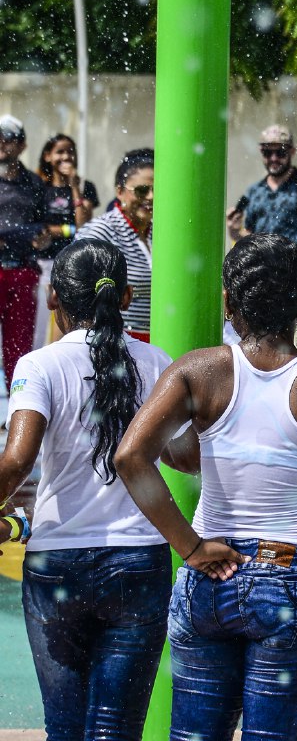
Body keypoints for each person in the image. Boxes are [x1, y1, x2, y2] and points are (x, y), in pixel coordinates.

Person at [115, 233, 297, 741]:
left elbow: (131, 457)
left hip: (209, 577)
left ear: (229, 302)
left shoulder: (197, 371)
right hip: (294, 579)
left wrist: (188, 547)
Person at [0, 238, 196, 741]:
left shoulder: (39, 366)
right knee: (116, 730)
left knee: (64, 727)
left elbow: (17, 461)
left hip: (57, 563)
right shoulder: (156, 363)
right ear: (127, 297)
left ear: (53, 299)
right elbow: (186, 457)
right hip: (137, 562)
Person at [227, 124, 297, 306]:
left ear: (292, 151)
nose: (274, 158)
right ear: (261, 153)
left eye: (280, 153)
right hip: (261, 279)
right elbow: (251, 238)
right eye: (268, 153)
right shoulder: (255, 192)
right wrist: (235, 232)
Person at [76, 149, 154, 341]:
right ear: (119, 191)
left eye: (158, 190)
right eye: (142, 190)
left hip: (157, 343)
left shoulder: (163, 233)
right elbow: (77, 293)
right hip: (113, 341)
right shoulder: (100, 232)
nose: (151, 197)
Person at [0, 114, 54, 385]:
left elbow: (44, 229)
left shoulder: (33, 184)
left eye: (8, 137)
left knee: (18, 346)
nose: (1, 142)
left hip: (23, 271)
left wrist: (42, 239)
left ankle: (16, 408)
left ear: (21, 145)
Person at [33, 134, 99, 350]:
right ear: (48, 156)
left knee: (66, 324)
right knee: (39, 325)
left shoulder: (85, 186)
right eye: (60, 151)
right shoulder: (39, 187)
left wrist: (74, 188)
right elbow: (38, 229)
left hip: (73, 264)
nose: (66, 156)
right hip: (44, 263)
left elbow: (83, 224)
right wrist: (62, 230)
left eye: (70, 151)